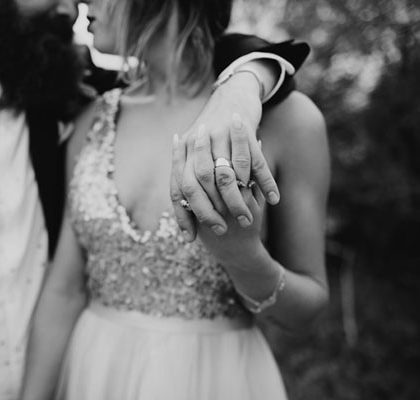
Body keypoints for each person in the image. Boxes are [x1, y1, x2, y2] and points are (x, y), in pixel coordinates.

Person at [0, 0, 308, 399]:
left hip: (79, 380)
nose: (71, 8)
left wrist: (244, 83)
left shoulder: (75, 91)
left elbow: (201, 44)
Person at [20, 0, 329, 399]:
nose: (82, 2)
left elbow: (308, 310)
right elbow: (64, 291)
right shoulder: (91, 120)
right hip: (95, 373)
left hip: (215, 380)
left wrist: (243, 257)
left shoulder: (289, 120)